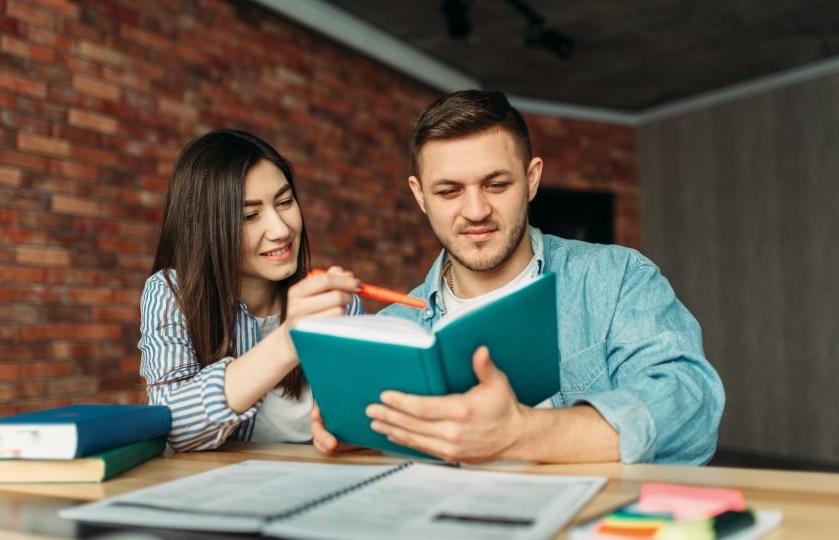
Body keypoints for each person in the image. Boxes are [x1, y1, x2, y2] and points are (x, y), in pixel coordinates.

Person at [311, 91, 725, 465]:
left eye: (496, 184)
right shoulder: (395, 331)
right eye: (449, 191)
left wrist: (519, 434)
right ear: (420, 196)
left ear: (531, 179)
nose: (475, 211)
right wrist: (362, 435)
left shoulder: (616, 278)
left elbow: (690, 404)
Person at [139, 129, 362, 451]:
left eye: (285, 202)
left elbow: (356, 420)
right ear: (206, 226)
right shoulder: (173, 293)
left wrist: (354, 434)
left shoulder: (331, 300)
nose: (280, 229)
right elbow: (174, 425)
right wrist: (287, 341)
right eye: (249, 216)